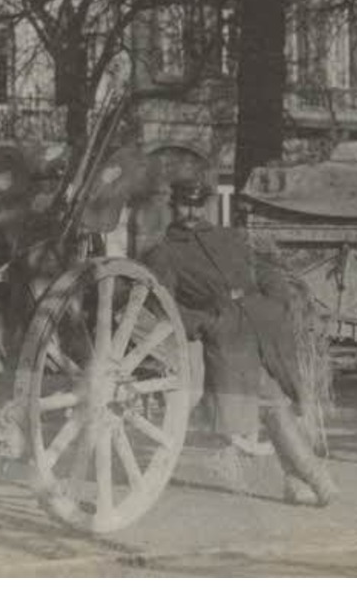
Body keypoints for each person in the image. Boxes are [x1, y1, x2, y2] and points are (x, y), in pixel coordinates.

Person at [141, 176, 336, 507]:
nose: (192, 212)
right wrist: (206, 323)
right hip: (227, 331)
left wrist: (277, 299)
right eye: (185, 204)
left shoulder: (228, 237)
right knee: (270, 394)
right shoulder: (164, 253)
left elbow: (264, 270)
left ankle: (294, 481)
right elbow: (165, 304)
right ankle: (315, 476)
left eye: (198, 204)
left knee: (279, 392)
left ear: (207, 205)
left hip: (264, 319)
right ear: (174, 206)